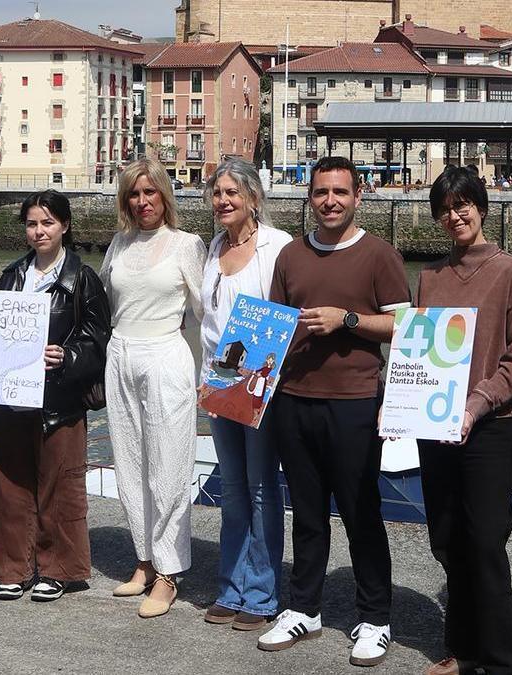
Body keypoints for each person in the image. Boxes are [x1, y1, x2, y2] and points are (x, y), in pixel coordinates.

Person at [258, 156, 410, 667]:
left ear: (358, 195)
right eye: (321, 192)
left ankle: (375, 617)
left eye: (340, 192)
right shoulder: (290, 257)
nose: (330, 201)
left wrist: (347, 320)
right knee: (304, 508)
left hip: (355, 402)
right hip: (294, 398)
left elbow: (406, 329)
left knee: (361, 510)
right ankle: (305, 607)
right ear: (309, 197)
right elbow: (271, 328)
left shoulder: (380, 255)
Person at [417, 166, 512, 675]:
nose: (455, 214)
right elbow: (418, 353)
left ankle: (498, 661)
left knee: (486, 542)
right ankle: (460, 649)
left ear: (482, 207)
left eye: (463, 203)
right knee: (447, 539)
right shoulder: (429, 278)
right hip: (436, 426)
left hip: (489, 426)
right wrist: (397, 397)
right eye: (445, 208)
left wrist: (477, 403)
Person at [0, 190, 110, 603]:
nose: (39, 231)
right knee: (8, 483)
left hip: (59, 403)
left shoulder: (82, 279)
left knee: (59, 485)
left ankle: (57, 569)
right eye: (32, 223)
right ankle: (12, 567)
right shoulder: (11, 276)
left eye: (47, 222)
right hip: (11, 397)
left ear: (64, 226)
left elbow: (99, 341)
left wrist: (67, 356)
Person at [102, 158, 206, 618]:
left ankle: (169, 573)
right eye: (133, 194)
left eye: (150, 193)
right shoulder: (118, 244)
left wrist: (216, 379)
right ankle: (144, 560)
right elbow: (104, 304)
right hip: (121, 354)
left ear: (165, 195)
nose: (142, 202)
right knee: (129, 465)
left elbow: (206, 313)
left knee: (167, 467)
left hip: (166, 355)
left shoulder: (187, 245)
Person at [198, 158, 293, 631]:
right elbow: (208, 326)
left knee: (260, 488)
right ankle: (230, 586)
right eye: (217, 193)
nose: (224, 201)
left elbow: (288, 315)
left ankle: (261, 594)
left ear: (254, 197)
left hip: (260, 383)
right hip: (218, 381)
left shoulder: (279, 247)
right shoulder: (212, 247)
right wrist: (206, 377)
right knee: (231, 487)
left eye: (233, 192)